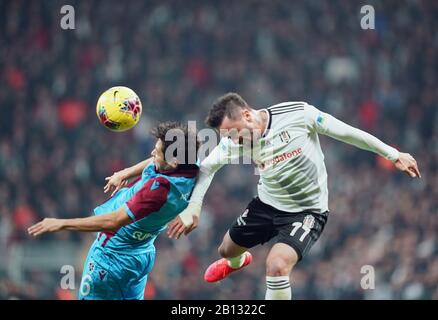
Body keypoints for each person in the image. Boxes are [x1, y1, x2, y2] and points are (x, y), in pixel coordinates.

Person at [166, 92, 421, 300]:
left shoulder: (298, 114)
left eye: (234, 133)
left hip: (307, 211)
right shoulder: (233, 142)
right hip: (266, 204)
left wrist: (392, 154)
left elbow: (346, 132)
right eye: (227, 137)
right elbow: (208, 167)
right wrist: (194, 207)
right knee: (225, 250)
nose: (234, 141)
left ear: (247, 115)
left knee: (277, 266)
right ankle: (237, 262)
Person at [28, 122, 200, 300]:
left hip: (112, 256)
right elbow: (158, 161)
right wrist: (125, 173)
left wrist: (61, 224)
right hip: (142, 254)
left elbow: (114, 221)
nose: (152, 153)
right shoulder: (191, 165)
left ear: (173, 161)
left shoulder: (158, 191)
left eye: (157, 151)